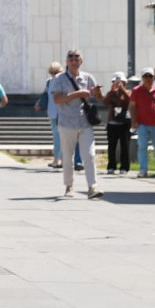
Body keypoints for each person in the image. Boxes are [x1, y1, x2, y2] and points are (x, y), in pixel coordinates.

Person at [50, 49, 103, 198]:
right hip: (67, 122)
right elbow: (57, 99)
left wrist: (97, 92)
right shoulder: (59, 79)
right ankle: (69, 186)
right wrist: (78, 94)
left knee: (89, 154)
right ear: (66, 61)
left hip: (85, 122)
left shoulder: (87, 77)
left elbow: (98, 98)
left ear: (81, 61)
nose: (74, 60)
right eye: (70, 58)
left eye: (76, 58)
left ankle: (93, 186)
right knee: (67, 156)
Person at [130, 67, 155, 178]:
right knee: (142, 146)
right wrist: (133, 120)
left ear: (154, 77)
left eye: (150, 76)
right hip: (142, 123)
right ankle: (143, 169)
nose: (148, 78)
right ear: (142, 78)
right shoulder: (136, 90)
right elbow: (132, 106)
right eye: (145, 76)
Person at [35, 61, 64, 169]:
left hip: (59, 113)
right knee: (58, 137)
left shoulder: (58, 81)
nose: (54, 74)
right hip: (53, 112)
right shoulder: (50, 82)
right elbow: (45, 95)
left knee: (58, 137)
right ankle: (58, 159)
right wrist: (40, 103)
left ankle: (58, 160)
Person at [103, 72, 132, 175]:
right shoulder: (111, 93)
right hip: (112, 122)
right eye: (115, 81)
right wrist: (112, 91)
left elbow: (130, 100)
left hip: (124, 122)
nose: (118, 83)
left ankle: (124, 167)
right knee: (112, 146)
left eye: (120, 82)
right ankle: (111, 166)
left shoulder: (128, 91)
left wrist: (122, 89)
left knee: (125, 145)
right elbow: (105, 102)